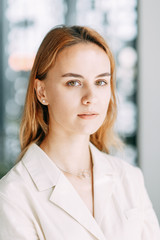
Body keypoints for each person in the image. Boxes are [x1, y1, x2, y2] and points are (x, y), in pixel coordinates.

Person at [0, 25, 159, 240]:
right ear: (42, 91)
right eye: (73, 82)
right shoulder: (12, 195)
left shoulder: (130, 178)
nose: (90, 97)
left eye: (101, 82)